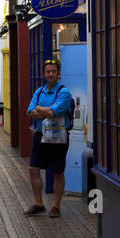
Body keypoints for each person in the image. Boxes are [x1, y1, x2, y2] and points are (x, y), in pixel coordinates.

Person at [25, 59, 73, 219]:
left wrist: (40, 109)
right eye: (48, 71)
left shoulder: (64, 92)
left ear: (58, 73)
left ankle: (55, 205)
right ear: (44, 73)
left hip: (58, 137)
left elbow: (55, 111)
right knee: (33, 169)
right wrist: (45, 110)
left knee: (58, 171)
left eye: (53, 71)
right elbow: (30, 111)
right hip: (40, 135)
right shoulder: (39, 92)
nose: (50, 74)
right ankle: (38, 203)